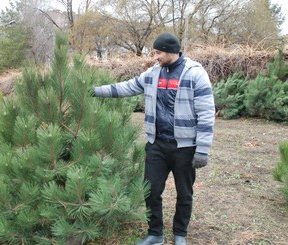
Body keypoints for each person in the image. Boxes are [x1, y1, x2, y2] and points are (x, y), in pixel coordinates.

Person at [92, 33, 215, 245]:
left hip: (184, 147)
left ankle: (180, 234)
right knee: (150, 190)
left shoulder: (195, 74)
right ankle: (155, 233)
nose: (155, 56)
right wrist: (94, 91)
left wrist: (202, 149)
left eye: (158, 52)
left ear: (170, 51)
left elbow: (206, 112)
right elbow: (126, 87)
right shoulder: (153, 73)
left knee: (184, 194)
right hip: (157, 144)